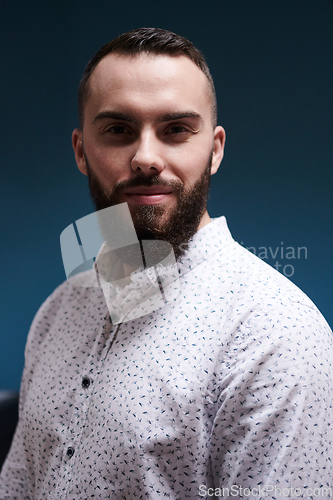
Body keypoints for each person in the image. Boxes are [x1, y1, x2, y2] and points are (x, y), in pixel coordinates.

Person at [0, 27, 332, 500]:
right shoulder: (58, 312)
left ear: (215, 149)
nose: (146, 158)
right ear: (80, 151)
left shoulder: (276, 337)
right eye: (118, 129)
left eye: (176, 129)